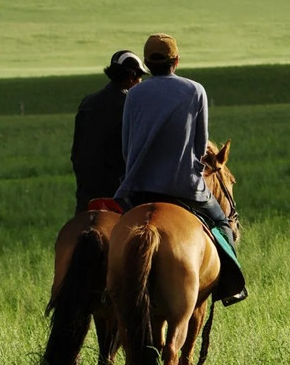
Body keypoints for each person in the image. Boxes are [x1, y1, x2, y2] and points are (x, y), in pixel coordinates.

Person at [114, 33, 247, 304]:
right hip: (184, 188)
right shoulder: (195, 90)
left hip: (138, 188)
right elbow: (200, 146)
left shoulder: (134, 94)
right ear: (176, 61)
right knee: (221, 221)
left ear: (148, 65)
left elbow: (126, 146)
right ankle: (230, 287)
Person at [70, 50, 148, 214]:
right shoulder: (130, 105)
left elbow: (76, 150)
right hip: (118, 194)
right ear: (131, 76)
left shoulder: (88, 102)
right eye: (140, 77)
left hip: (86, 193)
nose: (140, 82)